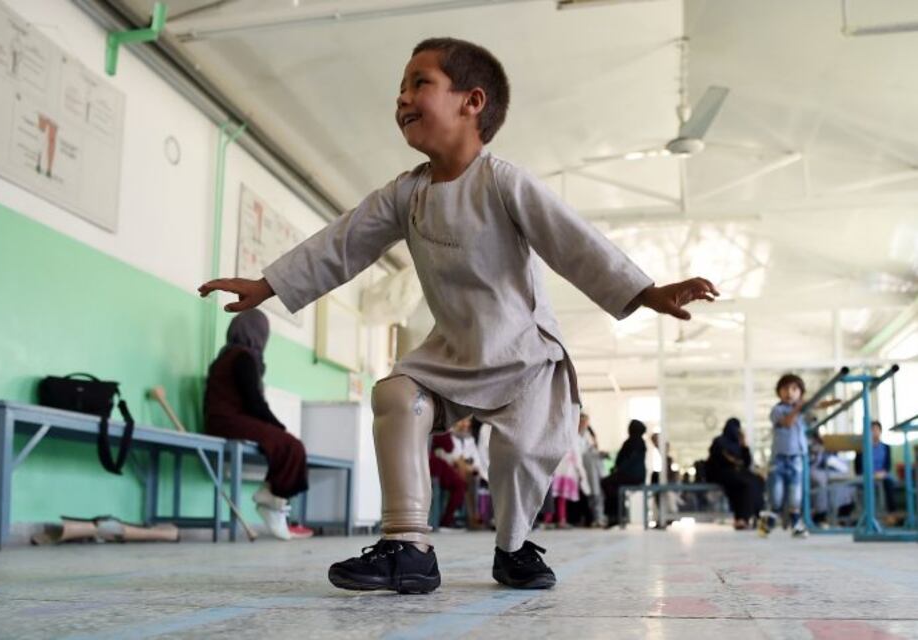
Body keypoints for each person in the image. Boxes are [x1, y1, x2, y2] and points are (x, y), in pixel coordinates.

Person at [199, 37, 718, 593]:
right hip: (452, 351)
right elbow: (342, 242)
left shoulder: (503, 181)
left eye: (418, 83)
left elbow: (575, 243)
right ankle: (409, 547)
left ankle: (514, 548)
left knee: (521, 453)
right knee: (397, 394)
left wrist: (645, 291)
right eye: (399, 88)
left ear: (472, 102)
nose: (401, 98)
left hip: (524, 354)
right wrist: (269, 283)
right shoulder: (405, 194)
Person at [204, 310, 311, 540]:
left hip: (223, 419)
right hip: (227, 421)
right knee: (292, 445)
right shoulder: (242, 357)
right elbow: (254, 403)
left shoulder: (226, 355)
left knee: (288, 444)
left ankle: (271, 497)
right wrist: (278, 427)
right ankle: (271, 499)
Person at [761, 373, 811, 538]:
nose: (789, 392)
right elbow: (788, 422)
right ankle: (769, 522)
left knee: (795, 494)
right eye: (785, 389)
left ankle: (796, 524)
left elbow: (817, 404)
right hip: (779, 459)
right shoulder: (777, 410)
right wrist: (798, 408)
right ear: (779, 392)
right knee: (776, 495)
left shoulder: (801, 410)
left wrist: (834, 402)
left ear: (801, 393)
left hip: (796, 457)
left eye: (794, 389)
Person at [706, 418, 764, 530]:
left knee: (757, 481)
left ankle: (754, 515)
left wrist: (744, 445)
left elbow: (746, 463)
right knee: (746, 484)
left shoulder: (738, 443)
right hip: (722, 473)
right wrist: (735, 463)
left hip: (737, 474)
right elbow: (720, 460)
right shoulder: (719, 441)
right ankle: (743, 518)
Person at [602, 419, 649, 526]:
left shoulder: (632, 442)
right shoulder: (640, 443)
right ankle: (619, 514)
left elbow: (625, 461)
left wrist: (617, 470)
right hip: (636, 476)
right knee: (613, 485)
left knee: (606, 483)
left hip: (630, 475)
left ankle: (615, 515)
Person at [543, 421, 590, 528]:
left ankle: (548, 519)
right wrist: (582, 473)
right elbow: (577, 458)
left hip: (555, 470)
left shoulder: (554, 433)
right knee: (561, 498)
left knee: (550, 495)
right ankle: (560, 520)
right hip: (566, 472)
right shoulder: (573, 438)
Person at [853, 421, 897, 513]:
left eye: (877, 429)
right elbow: (857, 468)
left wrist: (883, 473)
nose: (874, 432)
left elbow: (888, 465)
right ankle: (867, 513)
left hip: (882, 475)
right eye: (872, 430)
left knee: (889, 483)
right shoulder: (861, 448)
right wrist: (868, 474)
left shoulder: (886, 447)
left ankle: (892, 514)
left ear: (880, 431)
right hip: (866, 476)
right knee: (862, 486)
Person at [578, 414, 606, 527]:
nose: (585, 424)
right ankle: (596, 517)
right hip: (585, 467)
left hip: (593, 467)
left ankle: (599, 517)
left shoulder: (588, 435)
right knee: (593, 493)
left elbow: (593, 448)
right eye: (582, 422)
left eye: (586, 422)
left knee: (597, 493)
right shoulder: (575, 436)